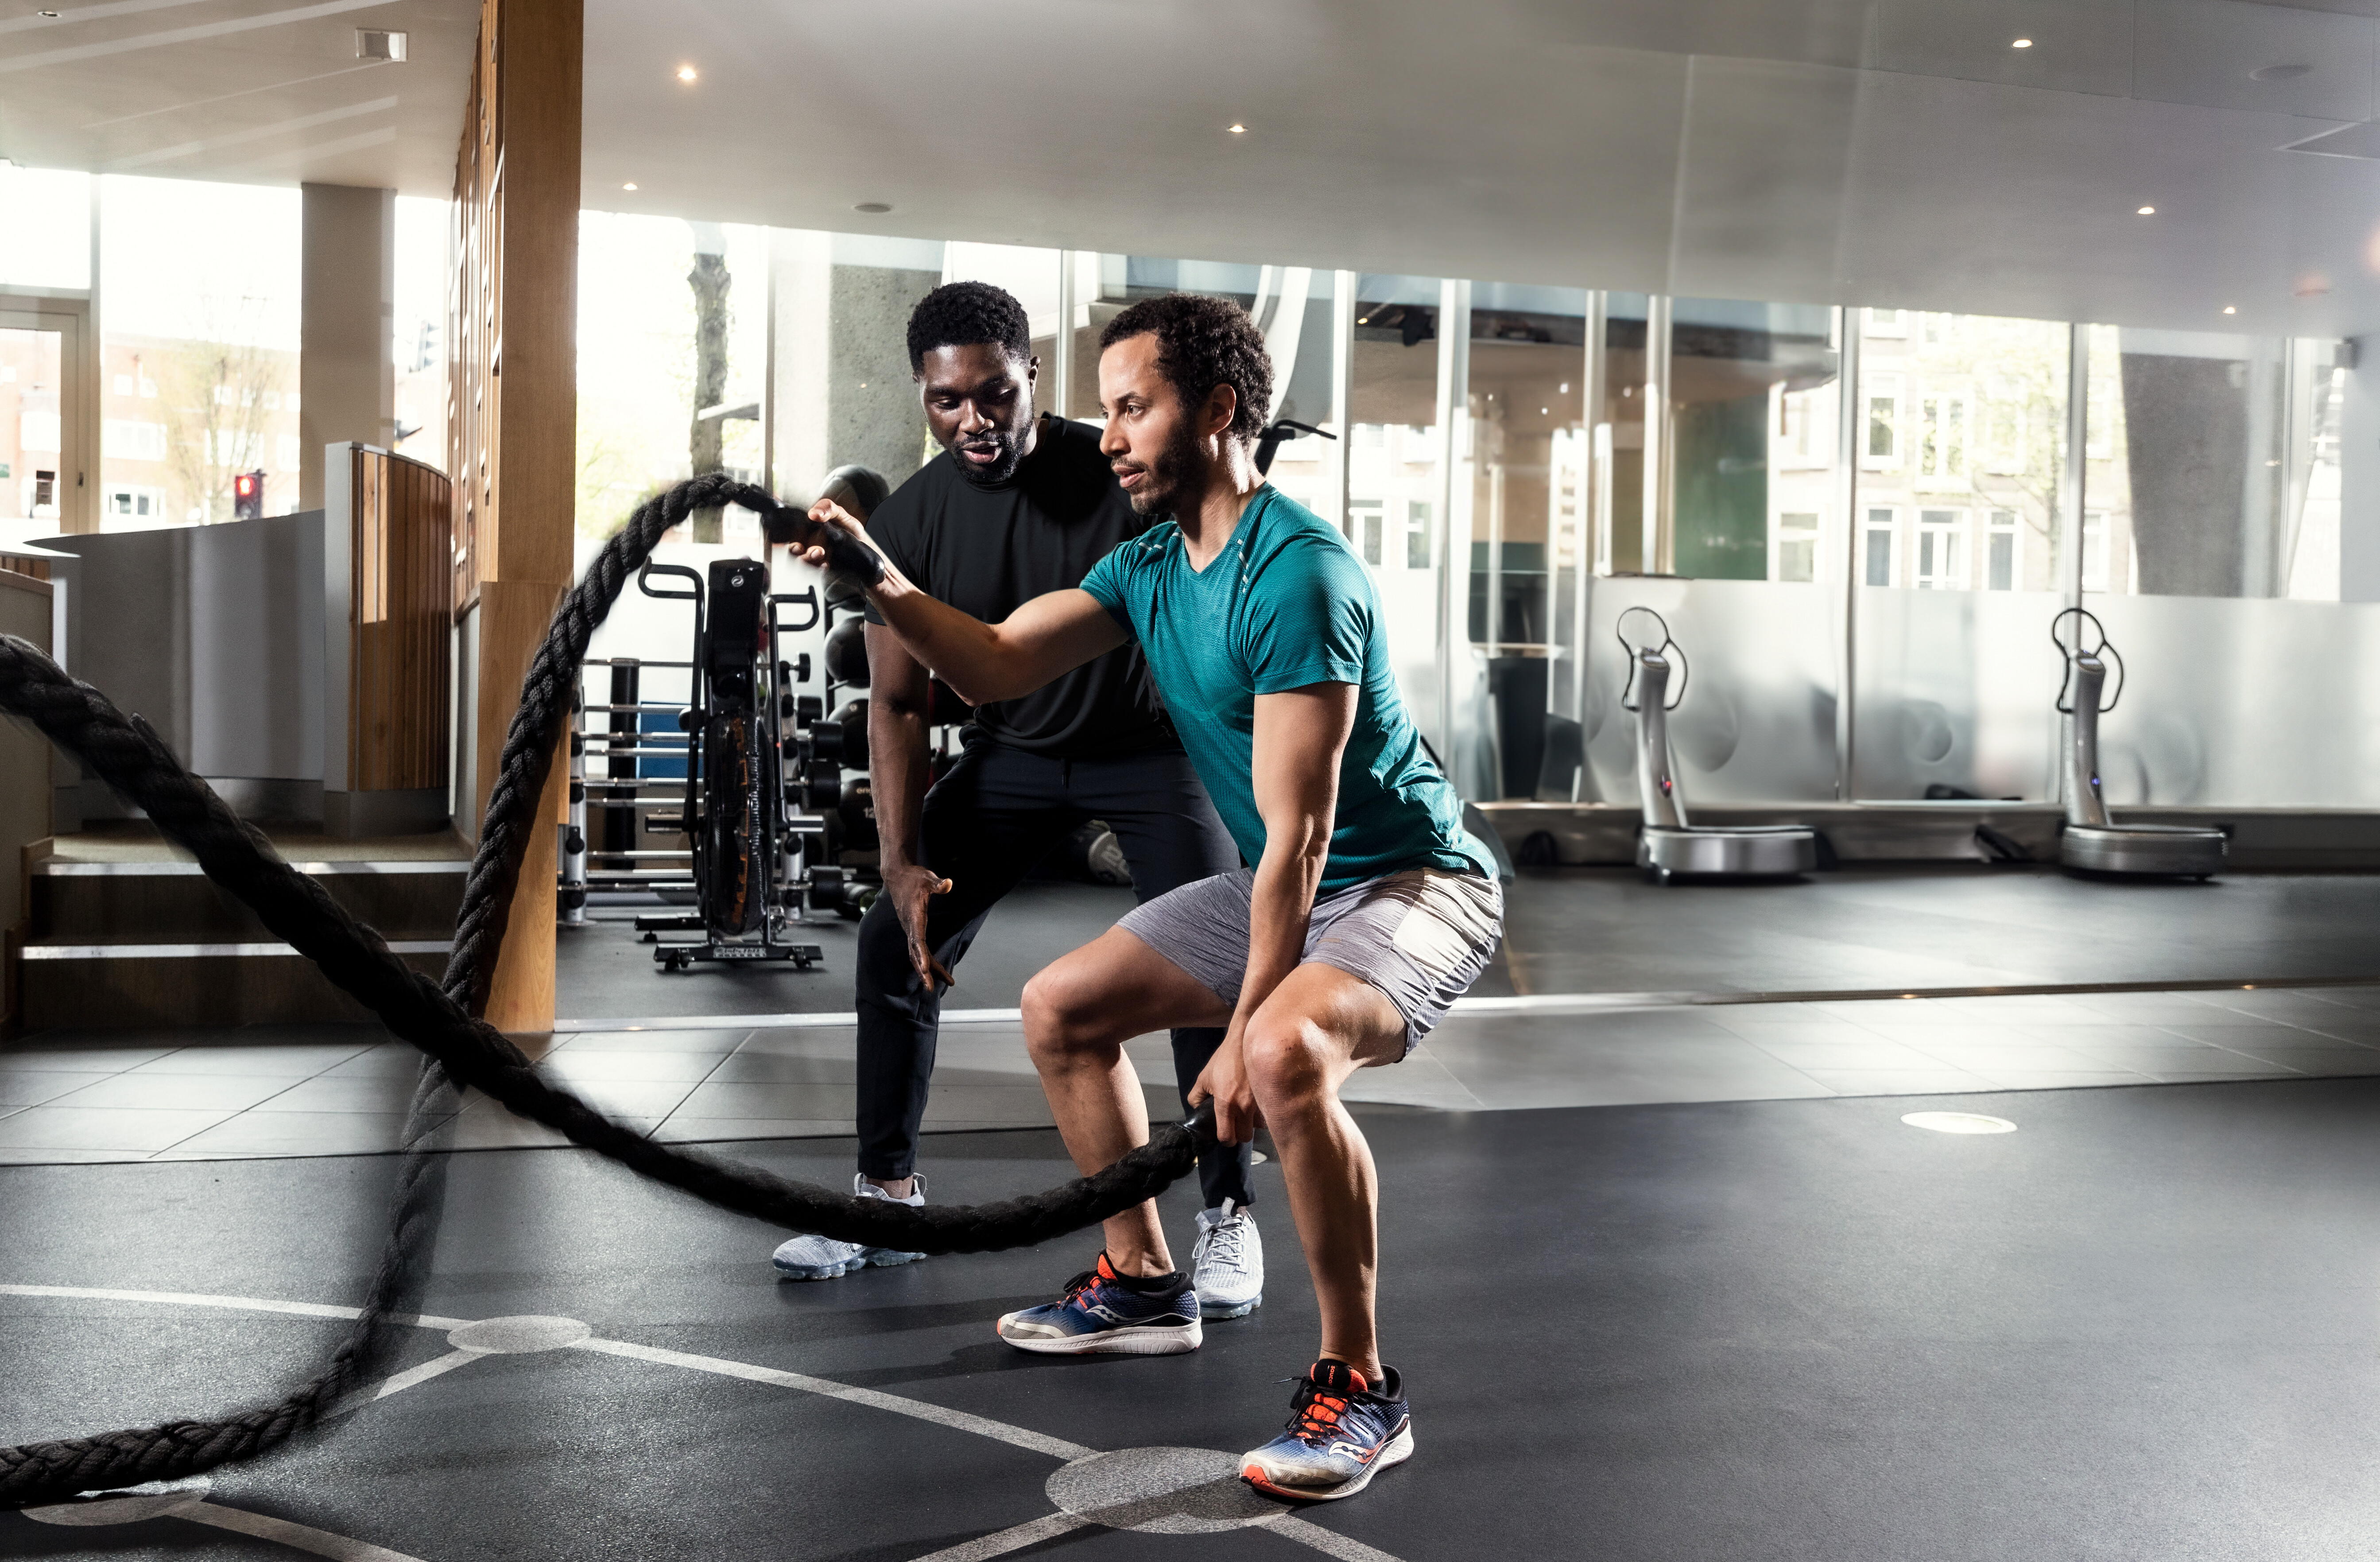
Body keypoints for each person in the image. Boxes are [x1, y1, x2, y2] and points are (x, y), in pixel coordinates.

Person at [793, 291, 1504, 1505]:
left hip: (1408, 882)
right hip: (1296, 874)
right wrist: (879, 582)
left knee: (1280, 1054)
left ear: (1216, 411)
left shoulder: (1298, 573)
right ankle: (1140, 1279)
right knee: (1059, 1006)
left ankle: (1359, 1383)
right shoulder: (1147, 562)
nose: (1107, 433)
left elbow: (1298, 833)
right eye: (1108, 409)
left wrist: (1236, 1032)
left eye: (1133, 407)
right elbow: (999, 662)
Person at [769, 282, 1265, 1325]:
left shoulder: (1121, 465)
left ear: (1029, 373)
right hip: (1014, 754)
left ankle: (1226, 1208)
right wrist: (901, 860)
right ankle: (888, 1196)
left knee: (1204, 962)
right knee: (891, 939)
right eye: (946, 401)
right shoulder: (905, 521)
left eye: (993, 393)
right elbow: (899, 703)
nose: (973, 420)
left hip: (1151, 750)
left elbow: (1218, 540)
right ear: (923, 395)